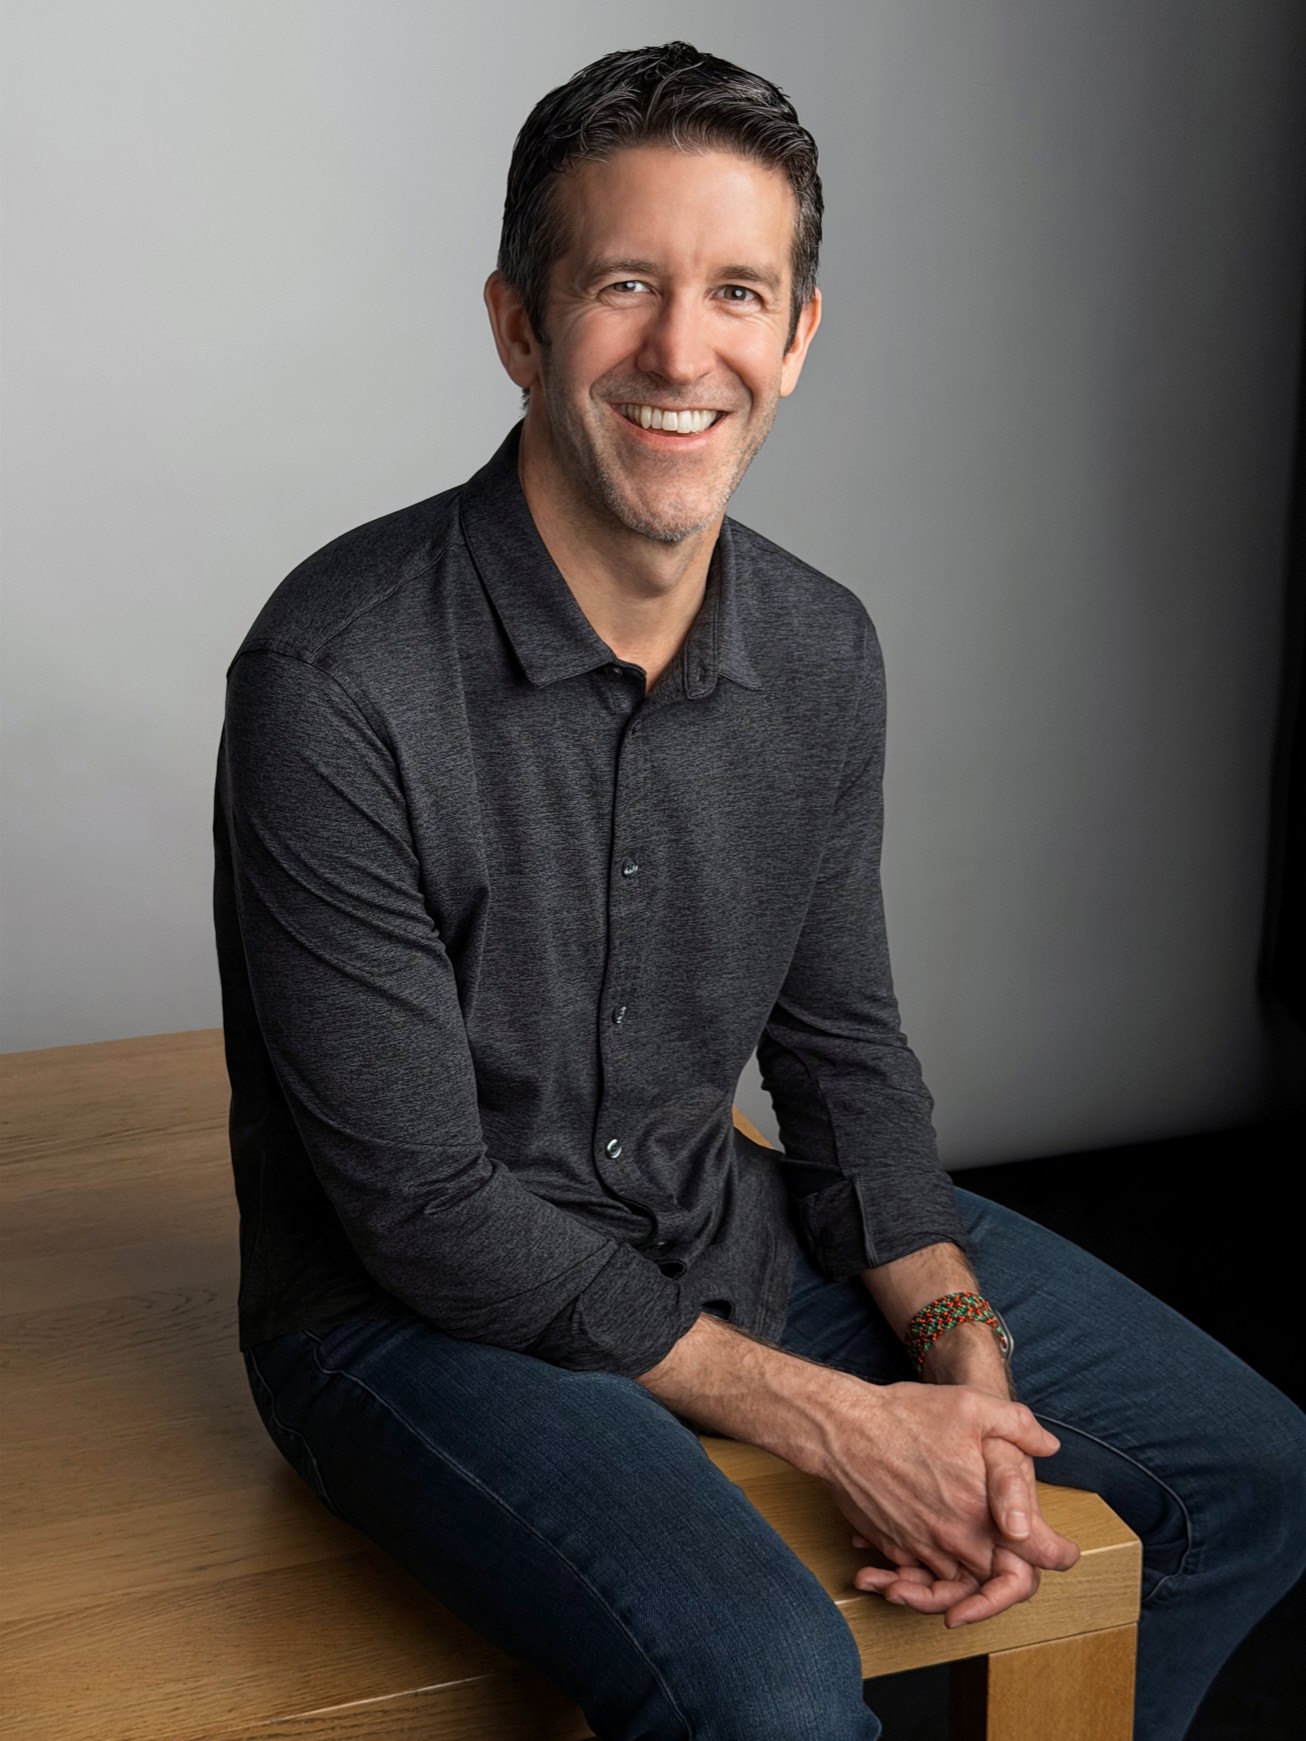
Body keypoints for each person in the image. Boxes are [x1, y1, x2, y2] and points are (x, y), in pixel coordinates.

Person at [213, 41, 1305, 1741]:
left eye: (737, 291)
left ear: (796, 338)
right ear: (518, 324)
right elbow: (422, 1206)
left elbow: (844, 1056)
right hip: (402, 1317)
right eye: (623, 285)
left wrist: (955, 1354)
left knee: (1246, 1473)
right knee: (771, 1682)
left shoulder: (819, 648)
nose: (679, 349)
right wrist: (833, 1420)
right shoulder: (332, 673)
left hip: (705, 1226)